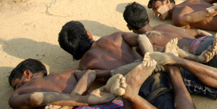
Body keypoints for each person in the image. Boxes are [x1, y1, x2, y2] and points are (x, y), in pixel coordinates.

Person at [58, 21, 217, 108]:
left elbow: (108, 75)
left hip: (147, 85)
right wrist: (148, 55)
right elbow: (142, 37)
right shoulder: (113, 37)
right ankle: (173, 63)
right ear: (88, 34)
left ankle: (169, 64)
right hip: (156, 66)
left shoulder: (85, 66)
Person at [123, 2, 217, 96]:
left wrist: (199, 58)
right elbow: (196, 32)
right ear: (149, 19)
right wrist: (214, 39)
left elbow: (173, 53)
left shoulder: (146, 41)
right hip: (209, 39)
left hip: (203, 50)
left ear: (129, 27)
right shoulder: (166, 26)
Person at [8, 58, 162, 109]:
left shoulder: (19, 93)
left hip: (87, 103)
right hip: (103, 102)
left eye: (16, 84)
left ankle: (128, 91)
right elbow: (90, 73)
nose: (17, 88)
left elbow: (34, 98)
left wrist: (76, 101)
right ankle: (129, 92)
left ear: (26, 74)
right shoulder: (66, 74)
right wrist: (76, 96)